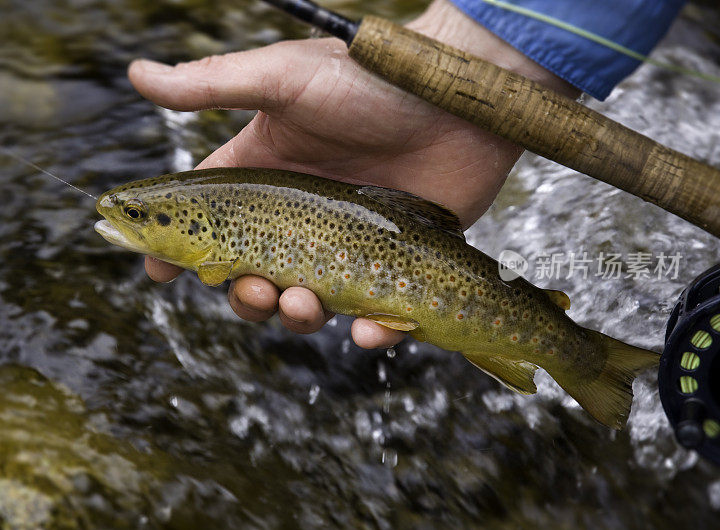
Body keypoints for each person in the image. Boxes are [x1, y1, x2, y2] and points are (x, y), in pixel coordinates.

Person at [127, 0, 685, 349]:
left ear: (200, 230)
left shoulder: (220, 217)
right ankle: (578, 355)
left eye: (139, 216)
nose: (122, 215)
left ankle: (584, 359)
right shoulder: (217, 224)